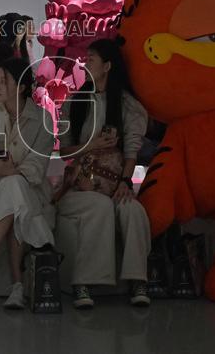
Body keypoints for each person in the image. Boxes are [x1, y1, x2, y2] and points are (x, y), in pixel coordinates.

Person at [54, 39, 151, 308]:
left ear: (107, 66)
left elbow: (131, 150)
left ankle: (137, 280)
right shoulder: (76, 102)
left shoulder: (127, 105)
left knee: (132, 210)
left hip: (114, 180)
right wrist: (91, 145)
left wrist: (125, 182)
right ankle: (84, 282)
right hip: (81, 185)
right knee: (99, 207)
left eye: (92, 58)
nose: (85, 62)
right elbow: (64, 152)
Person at [0, 57, 55, 309]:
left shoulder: (44, 119)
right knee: (14, 192)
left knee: (16, 187)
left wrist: (9, 172)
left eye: (5, 81)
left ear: (23, 87)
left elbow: (38, 165)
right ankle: (17, 285)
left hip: (28, 191)